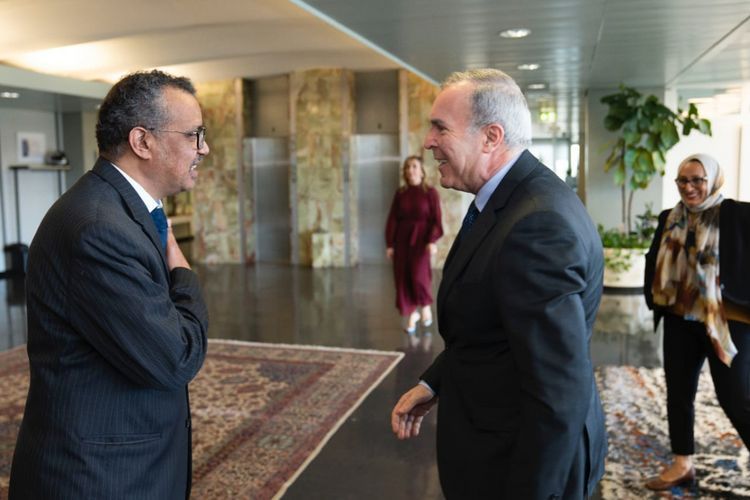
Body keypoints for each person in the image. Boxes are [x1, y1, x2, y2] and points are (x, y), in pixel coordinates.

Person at [390, 68, 607, 499]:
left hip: (516, 464)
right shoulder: (511, 201)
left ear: (491, 137)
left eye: (440, 128)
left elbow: (558, 391)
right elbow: (492, 328)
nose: (428, 141)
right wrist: (435, 383)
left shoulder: (536, 224)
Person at [9, 70, 210, 499]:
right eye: (193, 134)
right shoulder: (100, 228)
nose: (203, 148)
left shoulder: (121, 209)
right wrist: (183, 274)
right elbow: (176, 359)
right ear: (142, 142)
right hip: (99, 478)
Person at [643, 153, 750, 490]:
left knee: (736, 397)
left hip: (725, 321)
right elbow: (655, 259)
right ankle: (682, 464)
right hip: (680, 318)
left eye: (697, 180)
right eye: (683, 180)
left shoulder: (737, 214)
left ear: (713, 180)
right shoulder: (669, 217)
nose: (689, 187)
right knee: (678, 393)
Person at [385, 155, 443, 333]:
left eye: (414, 166)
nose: (410, 170)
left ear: (422, 171)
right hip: (402, 240)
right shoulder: (401, 193)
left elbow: (436, 220)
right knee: (403, 277)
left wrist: (432, 240)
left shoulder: (430, 193)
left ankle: (424, 306)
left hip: (422, 241)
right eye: (407, 167)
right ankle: (412, 314)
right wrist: (390, 243)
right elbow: (393, 219)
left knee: (419, 275)